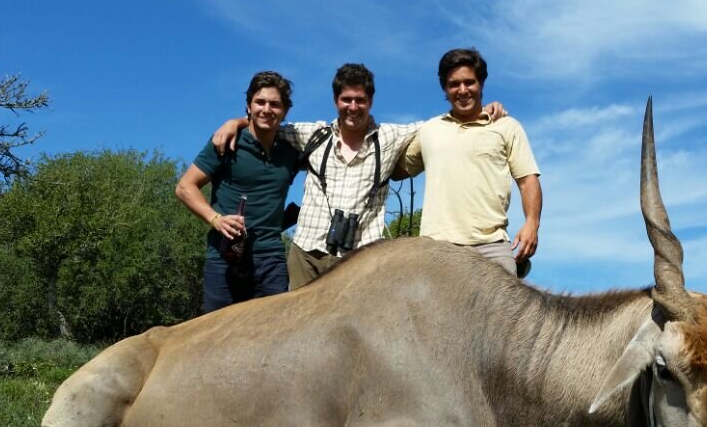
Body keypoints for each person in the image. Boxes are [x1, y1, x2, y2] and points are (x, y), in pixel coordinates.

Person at [213, 63, 505, 289]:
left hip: (362, 259)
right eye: (346, 99)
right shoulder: (312, 135)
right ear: (336, 100)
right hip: (308, 254)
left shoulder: (391, 136)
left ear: (371, 101)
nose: (353, 107)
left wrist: (483, 109)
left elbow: (440, 124)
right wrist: (236, 122)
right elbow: (268, 123)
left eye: (360, 100)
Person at [395, 48, 541, 276]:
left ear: (481, 84)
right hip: (435, 249)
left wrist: (532, 223)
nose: (462, 90)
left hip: (492, 247)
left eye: (469, 82)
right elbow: (396, 171)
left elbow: (527, 181)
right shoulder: (430, 130)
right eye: (454, 84)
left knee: (503, 313)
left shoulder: (506, 126)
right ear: (445, 87)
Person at [176, 71, 301, 313]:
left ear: (285, 111)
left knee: (272, 339)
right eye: (260, 102)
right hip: (225, 259)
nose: (266, 109)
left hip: (271, 260)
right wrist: (216, 219)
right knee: (215, 341)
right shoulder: (226, 142)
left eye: (275, 104)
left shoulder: (291, 151)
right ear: (248, 106)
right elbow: (184, 187)